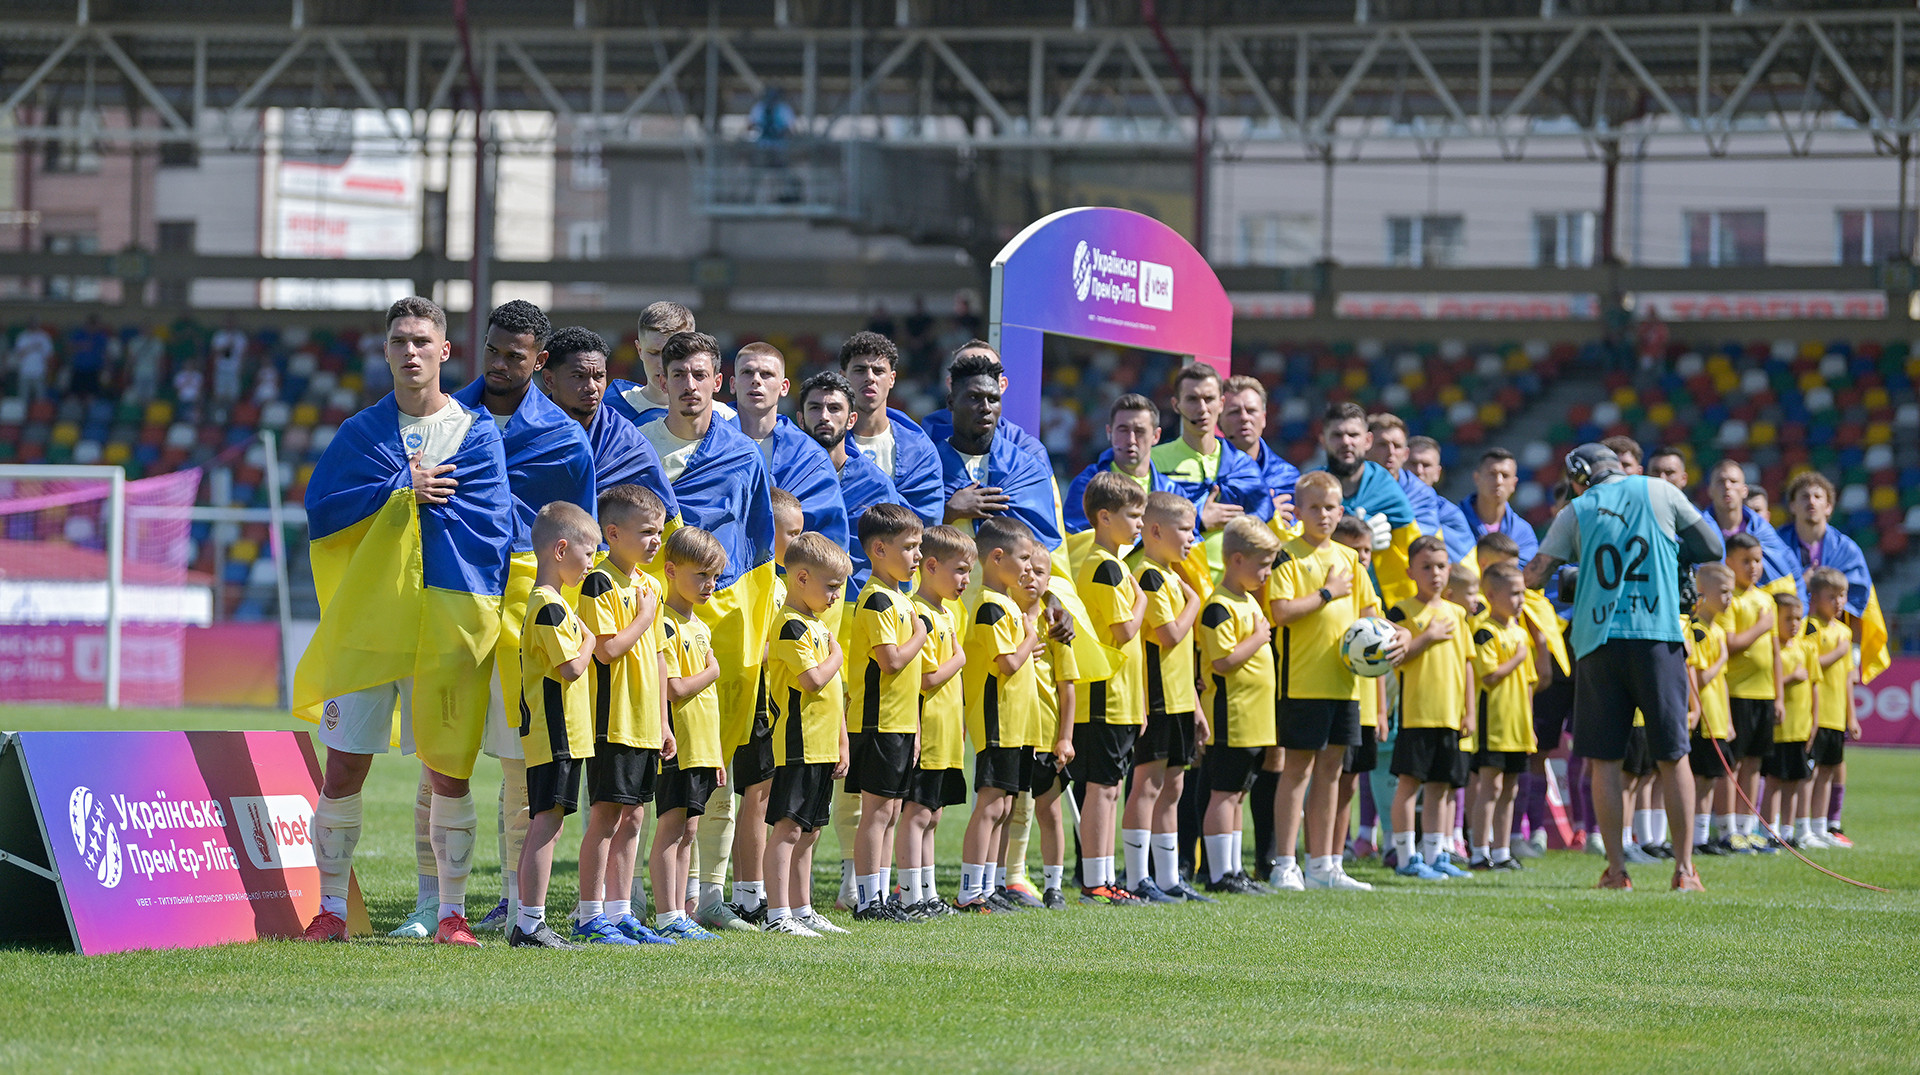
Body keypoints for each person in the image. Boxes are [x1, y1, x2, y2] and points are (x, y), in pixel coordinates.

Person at [293, 296, 511, 946]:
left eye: (421, 340)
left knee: (450, 770)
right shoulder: (360, 433)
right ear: (385, 351)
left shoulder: (478, 436)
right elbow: (323, 510)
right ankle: (330, 910)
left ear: (445, 351)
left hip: (443, 629)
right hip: (370, 627)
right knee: (343, 768)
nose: (410, 352)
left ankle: (450, 914)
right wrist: (398, 489)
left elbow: (492, 527)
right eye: (398, 341)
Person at [448, 300, 597, 938]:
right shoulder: (446, 421)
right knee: (442, 761)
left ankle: (515, 901)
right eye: (494, 351)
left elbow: (584, 543)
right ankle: (440, 904)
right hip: (453, 602)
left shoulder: (565, 440)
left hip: (526, 622)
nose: (503, 365)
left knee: (519, 766)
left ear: (540, 361)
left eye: (518, 356)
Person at [1524, 443, 1724, 891]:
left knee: (1606, 761)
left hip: (1598, 642)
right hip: (1658, 636)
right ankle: (1685, 870)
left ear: (1580, 476)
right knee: (1673, 756)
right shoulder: (1660, 491)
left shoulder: (1576, 508)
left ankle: (1616, 871)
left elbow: (1536, 575)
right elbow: (1712, 545)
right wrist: (1674, 563)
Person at [639, 331, 779, 934]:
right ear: (662, 381)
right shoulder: (637, 447)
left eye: (701, 375)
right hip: (653, 622)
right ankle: (647, 898)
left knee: (714, 762)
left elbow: (757, 545)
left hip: (721, 624)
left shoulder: (743, 454)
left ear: (716, 382)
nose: (690, 386)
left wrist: (756, 622)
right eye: (679, 374)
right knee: (649, 758)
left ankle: (709, 895)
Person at [1267, 471, 1392, 893]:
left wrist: (1397, 634)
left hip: (1346, 684)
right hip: (1302, 681)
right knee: (1297, 770)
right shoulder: (1287, 556)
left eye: (1330, 507)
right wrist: (1326, 593)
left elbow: (1371, 614)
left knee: (1333, 773)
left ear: (1342, 511)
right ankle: (1285, 863)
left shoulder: (1350, 559)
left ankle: (1325, 864)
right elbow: (1280, 611)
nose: (1323, 514)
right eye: (1314, 507)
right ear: (1298, 512)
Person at [570, 485, 675, 946]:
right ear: (613, 533)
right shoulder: (600, 581)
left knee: (634, 817)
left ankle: (621, 911)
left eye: (659, 532)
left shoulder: (650, 585)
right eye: (646, 532)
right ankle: (590, 915)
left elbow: (656, 658)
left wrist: (664, 721)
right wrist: (644, 619)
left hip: (644, 721)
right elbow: (608, 650)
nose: (655, 540)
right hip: (611, 718)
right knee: (606, 816)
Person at [509, 503, 601, 950]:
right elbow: (571, 669)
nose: (591, 564)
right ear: (561, 549)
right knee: (548, 823)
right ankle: (530, 923)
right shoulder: (549, 605)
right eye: (589, 554)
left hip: (557, 734)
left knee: (546, 822)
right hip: (555, 734)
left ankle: (526, 920)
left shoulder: (550, 602)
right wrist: (590, 639)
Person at [761, 532, 853, 937]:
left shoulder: (817, 625)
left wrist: (841, 740)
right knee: (788, 828)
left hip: (821, 744)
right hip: (796, 743)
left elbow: (835, 695)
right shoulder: (791, 625)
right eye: (831, 586)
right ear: (801, 578)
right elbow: (815, 680)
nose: (836, 595)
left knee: (811, 831)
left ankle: (802, 909)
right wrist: (837, 655)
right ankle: (777, 914)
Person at [843, 503, 929, 923]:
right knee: (877, 812)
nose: (917, 556)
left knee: (891, 810)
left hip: (898, 722)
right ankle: (866, 901)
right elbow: (891, 661)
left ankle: (879, 894)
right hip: (875, 721)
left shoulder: (899, 596)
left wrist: (913, 725)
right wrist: (921, 633)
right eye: (909, 547)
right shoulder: (877, 599)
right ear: (878, 549)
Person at [1071, 472, 1152, 906]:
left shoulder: (1113, 562)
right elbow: (1123, 630)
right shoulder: (1104, 565)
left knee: (1110, 788)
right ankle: (1094, 880)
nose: (1140, 523)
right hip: (1104, 694)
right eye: (1132, 515)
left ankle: (1101, 876)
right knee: (1101, 789)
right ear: (1104, 517)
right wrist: (1141, 600)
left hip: (1120, 696)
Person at [956, 517, 1043, 913]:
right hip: (996, 721)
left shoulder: (1006, 603)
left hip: (1017, 723)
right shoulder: (990, 606)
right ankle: (971, 891)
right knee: (991, 803)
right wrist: (1029, 638)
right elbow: (1006, 663)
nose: (1028, 568)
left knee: (1006, 805)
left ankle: (990, 887)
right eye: (1023, 558)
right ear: (995, 557)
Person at [1128, 492, 1211, 903]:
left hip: (1179, 699)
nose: (1192, 538)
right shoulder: (1150, 575)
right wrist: (1194, 600)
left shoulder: (1169, 573)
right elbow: (1169, 635)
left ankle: (1169, 877)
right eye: (1185, 529)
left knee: (1173, 788)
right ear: (1155, 530)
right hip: (1156, 697)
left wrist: (1195, 706)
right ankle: (1136, 877)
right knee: (1148, 784)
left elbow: (1184, 651)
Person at [650, 526, 729, 942]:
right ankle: (666, 915)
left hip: (701, 745)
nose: (710, 585)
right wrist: (713, 671)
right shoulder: (664, 623)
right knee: (671, 826)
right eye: (701, 575)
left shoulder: (701, 626)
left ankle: (681, 912)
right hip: (675, 743)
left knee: (691, 829)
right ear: (670, 570)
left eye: (714, 577)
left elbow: (707, 704)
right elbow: (674, 688)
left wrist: (714, 752)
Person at [1196, 517, 1281, 895]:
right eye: (1261, 564)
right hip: (1231, 715)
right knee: (1224, 793)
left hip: (1254, 718)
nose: (1267, 573)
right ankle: (1218, 873)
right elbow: (1222, 662)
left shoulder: (1247, 600)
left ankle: (1233, 868)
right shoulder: (1220, 606)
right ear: (1235, 560)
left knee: (1239, 793)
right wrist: (1259, 637)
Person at [1386, 536, 1476, 882]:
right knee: (1409, 785)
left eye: (1440, 566)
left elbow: (1467, 665)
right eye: (1426, 567)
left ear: (1449, 570)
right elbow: (1397, 657)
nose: (1435, 574)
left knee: (1441, 787)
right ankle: (1407, 856)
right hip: (1417, 713)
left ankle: (1436, 854)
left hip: (1450, 716)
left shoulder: (1456, 613)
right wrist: (1427, 636)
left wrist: (1468, 711)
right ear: (1410, 571)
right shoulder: (1402, 611)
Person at [895, 524, 972, 916]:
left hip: (946, 733)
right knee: (917, 813)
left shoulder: (947, 614)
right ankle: (908, 894)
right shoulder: (918, 612)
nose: (966, 580)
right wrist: (958, 660)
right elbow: (924, 679)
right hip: (924, 729)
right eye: (960, 570)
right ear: (930, 565)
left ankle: (927, 894)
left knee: (935, 813)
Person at [1151, 363, 1275, 579]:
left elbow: (1263, 521)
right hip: (1172, 587)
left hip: (1230, 592)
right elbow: (1137, 524)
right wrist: (1199, 519)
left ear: (1221, 403)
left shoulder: (1242, 465)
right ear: (1176, 404)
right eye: (1192, 399)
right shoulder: (1153, 460)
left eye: (1208, 399)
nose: (1201, 408)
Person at [541, 326, 680, 510]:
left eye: (599, 376)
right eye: (578, 376)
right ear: (549, 379)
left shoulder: (626, 440)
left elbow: (666, 510)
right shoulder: (529, 434)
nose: (592, 387)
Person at [730, 341, 850, 553]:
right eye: (747, 372)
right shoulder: (708, 441)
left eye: (766, 374)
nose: (756, 381)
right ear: (733, 384)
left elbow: (830, 539)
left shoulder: (810, 456)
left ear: (784, 387)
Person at [1467, 562, 1549, 871]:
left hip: (1517, 725)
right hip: (1494, 723)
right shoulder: (1485, 631)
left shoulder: (1518, 632)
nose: (1520, 600)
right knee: (1490, 787)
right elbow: (1488, 676)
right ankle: (1479, 851)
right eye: (1513, 594)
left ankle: (1502, 850)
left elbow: (1529, 683)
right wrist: (1517, 657)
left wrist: (1529, 723)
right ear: (1491, 594)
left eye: (1522, 594)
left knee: (1511, 788)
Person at [798, 370, 909, 594]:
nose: (824, 416)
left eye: (835, 408)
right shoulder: (788, 478)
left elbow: (897, 552)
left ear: (851, 420)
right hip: (799, 606)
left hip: (860, 608)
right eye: (815, 407)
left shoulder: (876, 485)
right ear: (800, 419)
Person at [1017, 545, 1080, 911]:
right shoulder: (1005, 616)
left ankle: (1053, 884)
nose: (1031, 578)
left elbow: (1067, 685)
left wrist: (1066, 736)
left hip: (1046, 734)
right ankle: (1003, 879)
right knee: (1009, 810)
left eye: (1041, 572)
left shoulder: (1054, 623)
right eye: (1026, 570)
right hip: (1010, 732)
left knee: (1049, 811)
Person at [1318, 402, 1421, 606]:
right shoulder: (1312, 488)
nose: (1346, 442)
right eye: (1337, 435)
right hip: (1327, 603)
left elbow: (1416, 549)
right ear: (1323, 441)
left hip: (1385, 607)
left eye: (1354, 435)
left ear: (1367, 440)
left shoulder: (1386, 487)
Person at [840, 330, 945, 526]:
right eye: (860, 370)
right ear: (843, 377)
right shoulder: (823, 444)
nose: (870, 378)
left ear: (892, 378)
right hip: (838, 556)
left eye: (878, 371)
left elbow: (927, 518)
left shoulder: (920, 449)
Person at [1720, 531, 1783, 854]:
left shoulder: (1766, 599)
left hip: (1764, 693)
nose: (1754, 567)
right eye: (1746, 561)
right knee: (1734, 762)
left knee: (1755, 763)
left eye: (1757, 560)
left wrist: (1779, 695)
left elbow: (1774, 651)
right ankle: (1728, 827)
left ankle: (1748, 828)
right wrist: (1760, 625)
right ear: (1729, 562)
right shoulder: (1730, 599)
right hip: (1737, 692)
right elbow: (1729, 645)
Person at [1063, 394, 1183, 534]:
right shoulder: (1087, 485)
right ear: (1109, 433)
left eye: (1139, 431)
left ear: (1156, 436)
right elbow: (1076, 540)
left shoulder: (1172, 491)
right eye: (1123, 430)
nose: (1131, 440)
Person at [604, 301, 734, 426]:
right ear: (639, 350)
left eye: (675, 353)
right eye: (654, 353)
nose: (663, 364)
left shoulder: (725, 418)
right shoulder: (609, 410)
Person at [1804, 566, 1859, 849]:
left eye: (1843, 596)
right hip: (1815, 712)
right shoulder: (1809, 627)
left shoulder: (1845, 632)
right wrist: (1837, 653)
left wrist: (1851, 715)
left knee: (1827, 769)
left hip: (1836, 714)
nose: (1839, 602)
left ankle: (1820, 826)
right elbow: (1808, 665)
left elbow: (1848, 678)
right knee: (1810, 772)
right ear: (1814, 597)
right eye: (1832, 596)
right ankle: (1802, 826)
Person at [1760, 592, 1816, 850]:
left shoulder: (1807, 648)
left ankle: (1788, 831)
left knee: (1795, 781)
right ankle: (1768, 830)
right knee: (1774, 780)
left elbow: (1815, 686)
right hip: (1780, 729)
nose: (1794, 624)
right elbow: (1769, 683)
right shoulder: (1773, 651)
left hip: (1800, 727)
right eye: (1788, 619)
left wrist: (1814, 720)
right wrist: (1791, 677)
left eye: (1798, 618)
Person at [1687, 564, 1736, 856]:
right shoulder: (1698, 632)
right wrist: (1722, 658)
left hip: (1718, 718)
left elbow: (1722, 682)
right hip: (1703, 718)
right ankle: (1693, 836)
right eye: (1724, 592)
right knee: (1698, 779)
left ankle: (1702, 837)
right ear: (1702, 594)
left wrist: (1728, 720)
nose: (1729, 598)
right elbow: (1702, 678)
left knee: (1709, 780)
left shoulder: (1717, 630)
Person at [1700, 459, 1796, 593]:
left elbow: (1791, 571)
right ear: (1710, 490)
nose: (1727, 486)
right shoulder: (1698, 530)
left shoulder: (1763, 530)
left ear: (1744, 490)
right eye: (1720, 481)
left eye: (1733, 481)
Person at [1217, 375, 1299, 530]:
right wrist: (1266, 513)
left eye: (1251, 410)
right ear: (1219, 420)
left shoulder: (1287, 476)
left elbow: (1289, 531)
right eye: (1234, 412)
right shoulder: (1207, 471)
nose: (1244, 418)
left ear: (1264, 418)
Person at [1366, 413, 1444, 543]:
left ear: (1406, 454)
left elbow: (1423, 543)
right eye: (1382, 445)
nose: (1391, 452)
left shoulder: (1422, 494)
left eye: (1397, 446)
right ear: (1366, 448)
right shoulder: (1350, 486)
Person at [1459, 447, 1538, 569]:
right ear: (1476, 478)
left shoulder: (1523, 533)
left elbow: (1526, 577)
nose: (1498, 481)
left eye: (1505, 476)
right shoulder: (1453, 522)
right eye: (1492, 474)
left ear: (1514, 484)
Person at [1406, 435, 1477, 563]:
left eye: (1426, 465)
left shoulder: (1450, 516)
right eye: (1413, 463)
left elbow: (1463, 568)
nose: (1418, 471)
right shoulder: (1385, 502)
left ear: (1438, 473)